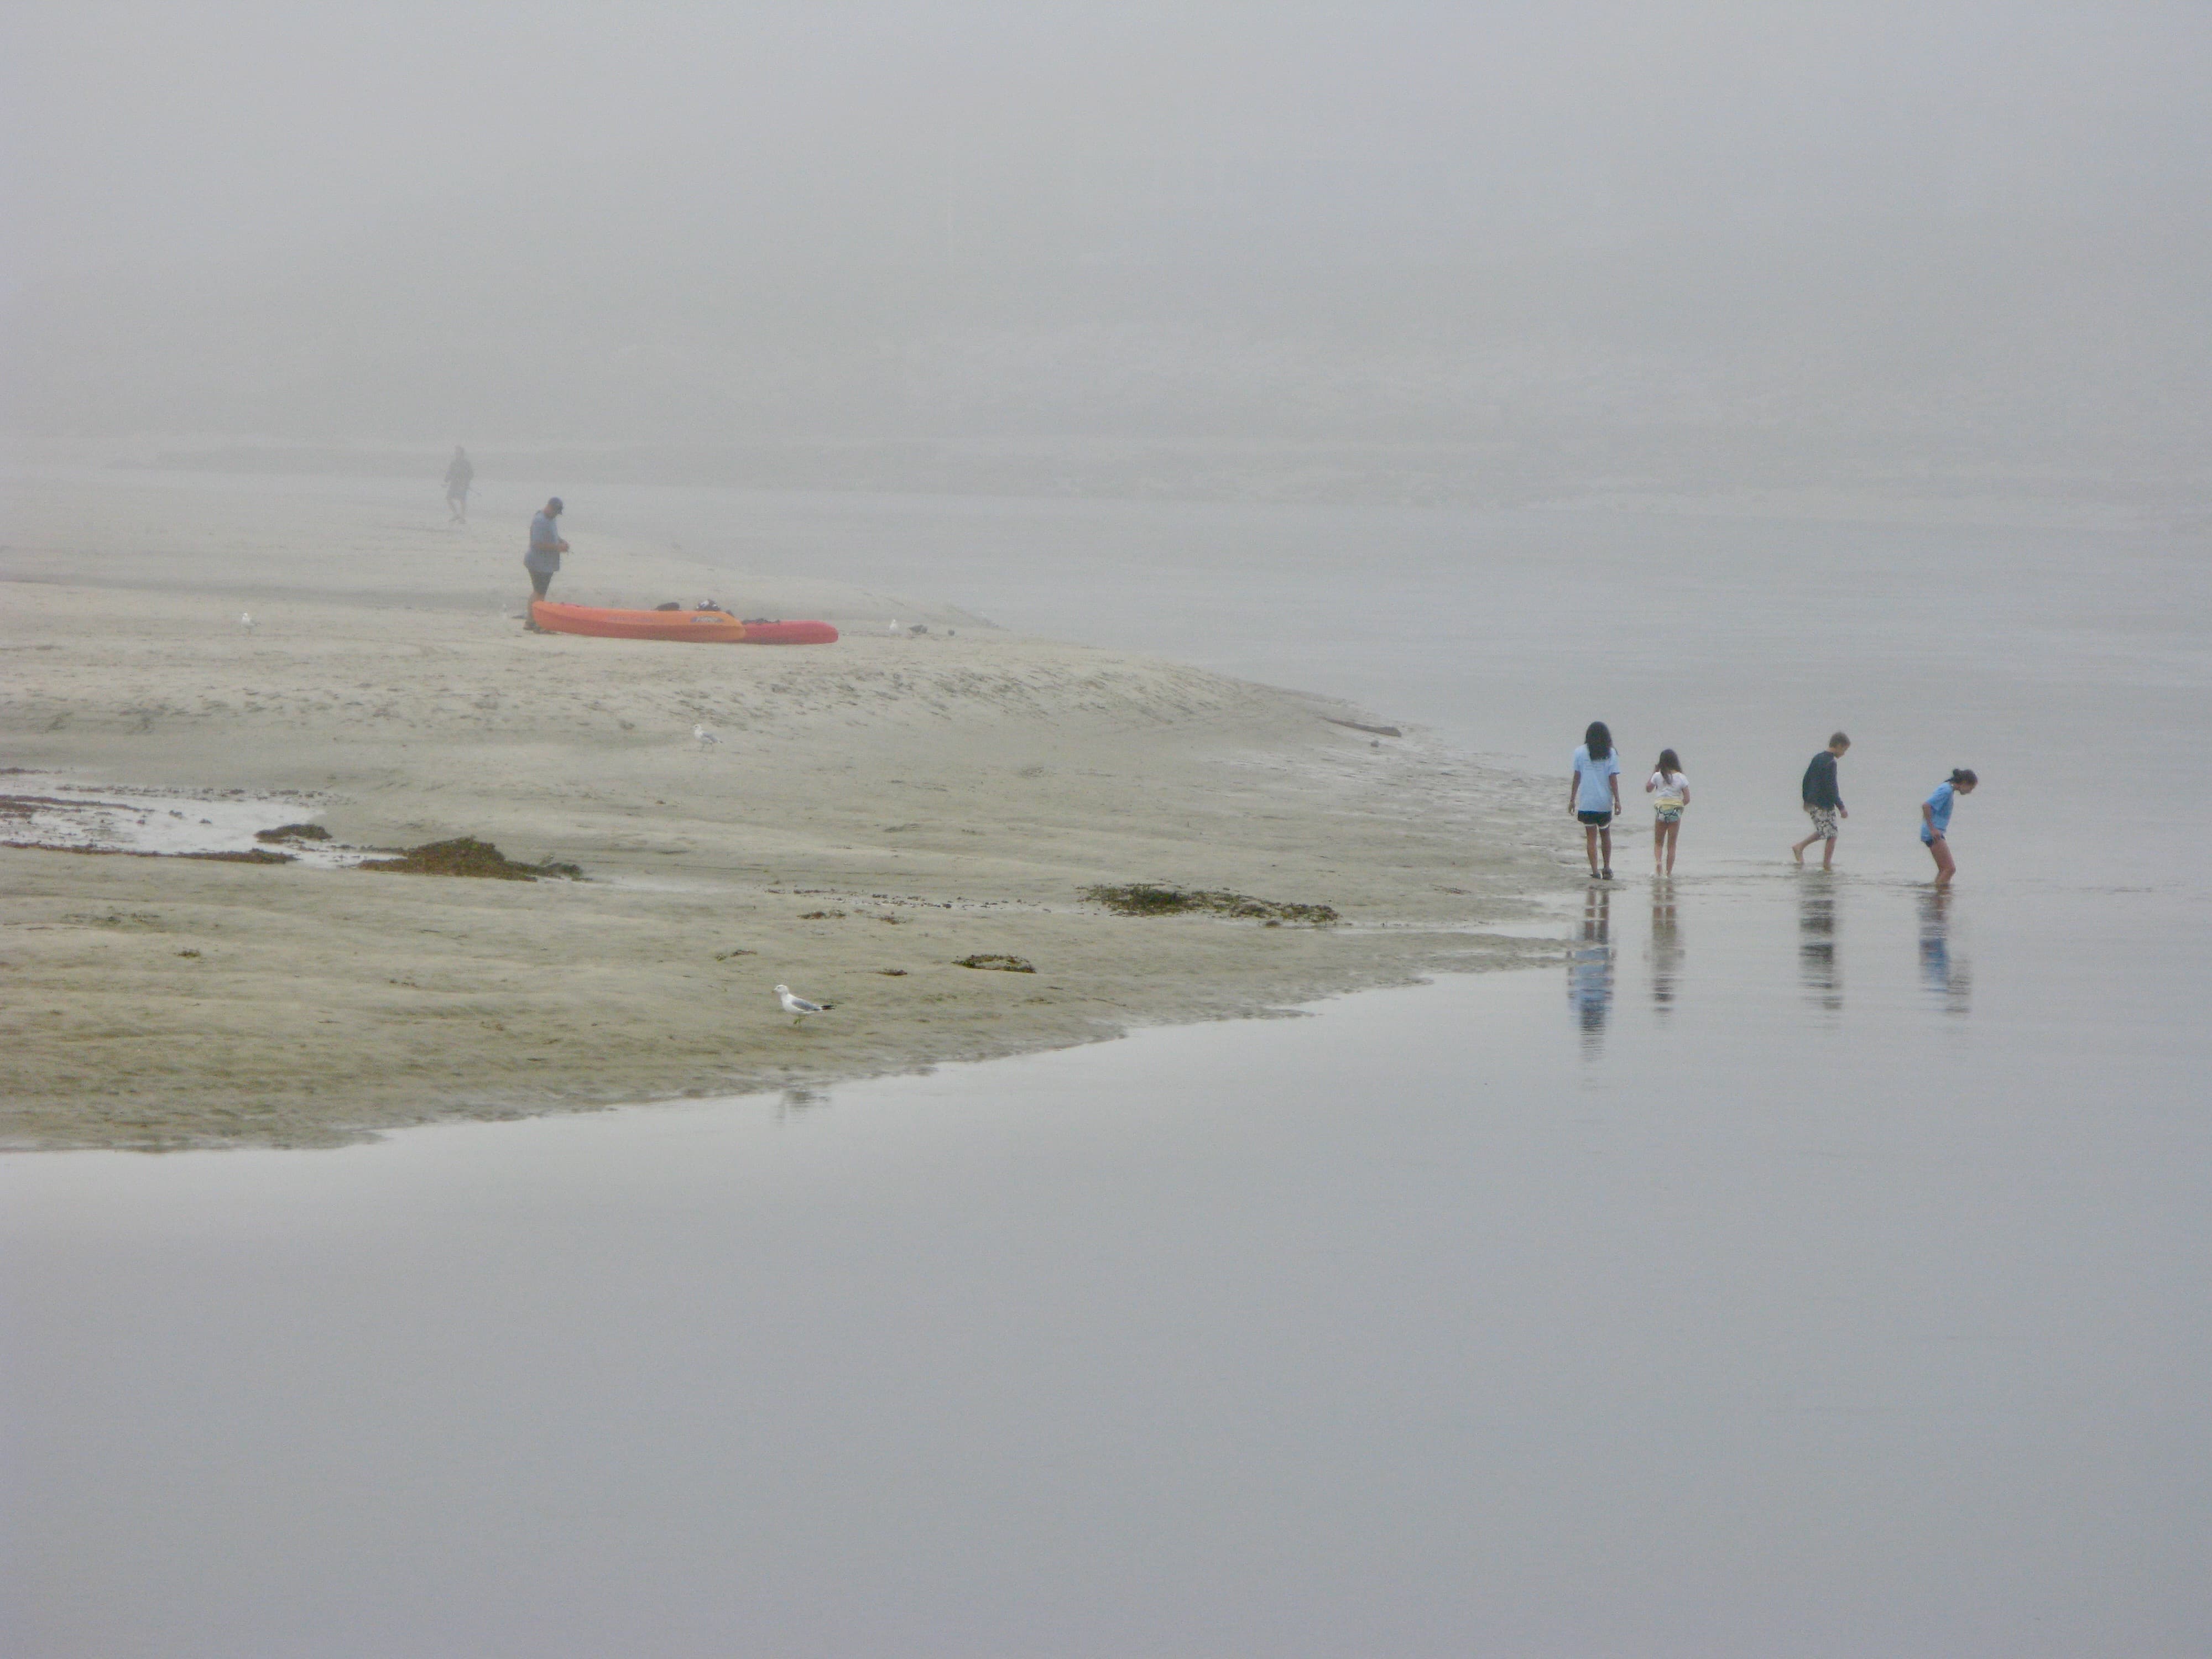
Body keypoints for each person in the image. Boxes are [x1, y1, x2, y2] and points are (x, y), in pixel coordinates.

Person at [1568, 720, 1623, 879]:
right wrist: (1618, 800)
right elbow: (1613, 779)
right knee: (1605, 834)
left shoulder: (1579, 752)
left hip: (1587, 802)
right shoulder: (1611, 753)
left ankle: (1595, 870)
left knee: (1591, 837)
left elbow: (1577, 777)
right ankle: (1607, 867)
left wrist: (1572, 799)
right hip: (1604, 802)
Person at [1792, 731, 1851, 869]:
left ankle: (1800, 847)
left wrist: (1806, 800)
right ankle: (1827, 866)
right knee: (1832, 834)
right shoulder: (1831, 762)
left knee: (1825, 830)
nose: (1844, 754)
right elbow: (1832, 787)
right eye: (1844, 750)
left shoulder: (1818, 758)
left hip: (1813, 802)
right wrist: (1841, 807)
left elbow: (1806, 780)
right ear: (1838, 746)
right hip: (1823, 804)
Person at [1921, 768, 1978, 886]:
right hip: (1933, 833)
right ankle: (1939, 896)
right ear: (1965, 783)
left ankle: (1938, 897)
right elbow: (1926, 806)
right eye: (1971, 788)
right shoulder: (1946, 790)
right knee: (1950, 869)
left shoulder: (1948, 789)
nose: (1970, 792)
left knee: (1944, 869)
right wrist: (1933, 829)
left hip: (1935, 832)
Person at [523, 497, 568, 631]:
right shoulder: (540, 520)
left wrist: (562, 542)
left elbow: (553, 536)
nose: (555, 514)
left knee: (538, 592)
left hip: (546, 563)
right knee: (540, 593)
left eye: (557, 512)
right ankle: (536, 622)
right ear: (549, 507)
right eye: (554, 511)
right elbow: (536, 543)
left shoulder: (551, 519)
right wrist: (557, 548)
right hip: (538, 563)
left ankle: (530, 622)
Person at [1645, 747, 1689, 875]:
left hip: (1661, 811)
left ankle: (1659, 862)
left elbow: (1648, 789)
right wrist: (1680, 807)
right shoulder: (1681, 778)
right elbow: (1687, 798)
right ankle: (1668, 873)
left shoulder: (1658, 776)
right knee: (1672, 845)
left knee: (1659, 842)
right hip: (1675, 811)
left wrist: (1654, 772)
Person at [444, 446, 474, 523]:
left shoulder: (466, 463)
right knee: (448, 498)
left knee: (462, 500)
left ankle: (462, 517)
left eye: (458, 453)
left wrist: (466, 482)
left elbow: (471, 474)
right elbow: (450, 472)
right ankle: (456, 514)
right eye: (456, 453)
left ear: (462, 454)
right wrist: (446, 480)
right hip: (454, 484)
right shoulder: (453, 463)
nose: (456, 454)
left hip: (463, 484)